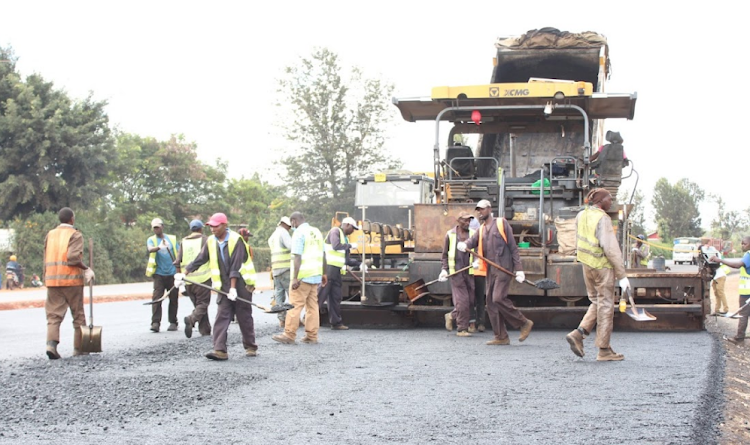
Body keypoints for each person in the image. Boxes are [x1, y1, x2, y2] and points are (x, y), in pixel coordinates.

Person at [176, 212, 258, 360]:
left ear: (224, 225)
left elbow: (236, 265)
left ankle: (251, 346)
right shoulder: (211, 241)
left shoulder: (236, 240)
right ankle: (220, 350)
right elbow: (200, 259)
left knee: (243, 315)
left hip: (241, 283)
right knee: (222, 315)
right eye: (210, 226)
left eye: (216, 226)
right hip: (223, 284)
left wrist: (233, 288)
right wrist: (185, 273)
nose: (212, 229)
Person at [565, 188, 630, 361]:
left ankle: (579, 334)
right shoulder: (603, 218)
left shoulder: (582, 215)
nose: (612, 202)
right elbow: (611, 249)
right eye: (610, 199)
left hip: (587, 265)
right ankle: (604, 350)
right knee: (606, 305)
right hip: (602, 266)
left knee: (597, 301)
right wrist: (622, 275)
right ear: (601, 201)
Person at [458, 199, 534, 345]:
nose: (480, 212)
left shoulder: (501, 223)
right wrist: (464, 244)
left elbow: (513, 247)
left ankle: (523, 322)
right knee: (490, 302)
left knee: (498, 298)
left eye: (482, 209)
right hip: (491, 270)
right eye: (478, 210)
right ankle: (501, 336)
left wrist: (519, 269)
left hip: (504, 268)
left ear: (489, 209)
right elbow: (471, 241)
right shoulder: (481, 229)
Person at [43, 207, 96, 359]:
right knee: (78, 315)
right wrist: (86, 269)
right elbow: (72, 258)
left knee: (53, 315)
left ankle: (51, 345)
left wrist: (45, 277)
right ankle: (79, 348)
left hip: (52, 280)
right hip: (71, 281)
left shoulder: (50, 234)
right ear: (72, 219)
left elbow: (45, 257)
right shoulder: (75, 234)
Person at [272, 211, 327, 345]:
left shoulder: (299, 233)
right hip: (315, 275)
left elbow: (297, 256)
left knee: (294, 306)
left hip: (302, 277)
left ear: (293, 221)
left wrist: (295, 278)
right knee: (312, 307)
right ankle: (312, 335)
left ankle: (289, 334)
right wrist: (324, 273)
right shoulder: (317, 232)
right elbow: (324, 254)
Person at [318, 216, 361, 330]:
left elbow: (346, 260)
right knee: (321, 295)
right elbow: (335, 246)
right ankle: (307, 318)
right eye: (352, 228)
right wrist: (351, 246)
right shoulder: (335, 231)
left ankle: (336, 323)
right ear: (346, 225)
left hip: (336, 271)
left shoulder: (345, 239)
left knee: (335, 297)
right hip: (329, 269)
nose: (353, 231)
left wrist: (359, 264)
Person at [439, 211, 476, 337]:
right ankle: (462, 329)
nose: (467, 223)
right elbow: (444, 255)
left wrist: (477, 262)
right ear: (458, 221)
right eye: (465, 220)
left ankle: (451, 315)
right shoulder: (450, 235)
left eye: (469, 220)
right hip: (456, 273)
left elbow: (479, 251)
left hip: (469, 272)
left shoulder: (473, 234)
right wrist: (444, 269)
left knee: (470, 301)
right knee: (462, 301)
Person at [709, 236, 750, 344]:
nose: (742, 245)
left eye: (744, 243)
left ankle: (739, 338)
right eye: (741, 243)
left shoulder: (749, 255)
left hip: (747, 293)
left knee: (743, 315)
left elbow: (737, 265)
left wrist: (720, 260)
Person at [175, 219, 212, 338]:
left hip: (188, 279)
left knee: (198, 305)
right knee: (203, 304)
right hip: (203, 278)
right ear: (201, 228)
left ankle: (205, 330)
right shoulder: (206, 240)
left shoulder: (183, 242)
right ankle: (191, 319)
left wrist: (179, 278)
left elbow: (177, 261)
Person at [146, 218, 180, 333]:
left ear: (162, 227)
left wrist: (179, 269)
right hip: (159, 274)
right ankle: (155, 323)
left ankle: (173, 322)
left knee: (173, 298)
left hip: (172, 273)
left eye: (158, 227)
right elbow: (150, 249)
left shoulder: (172, 239)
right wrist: (159, 247)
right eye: (154, 228)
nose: (156, 230)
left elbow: (179, 252)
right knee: (157, 298)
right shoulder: (151, 240)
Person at [268, 216, 293, 327]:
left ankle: (282, 319)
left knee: (279, 295)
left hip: (276, 269)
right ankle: (292, 320)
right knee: (292, 295)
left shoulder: (273, 235)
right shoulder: (283, 233)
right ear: (286, 224)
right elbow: (291, 246)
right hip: (286, 269)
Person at [468, 216, 486, 333]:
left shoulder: (482, 238)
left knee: (477, 298)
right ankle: (474, 323)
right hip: (470, 271)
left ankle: (478, 323)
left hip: (478, 270)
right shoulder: (469, 237)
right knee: (473, 299)